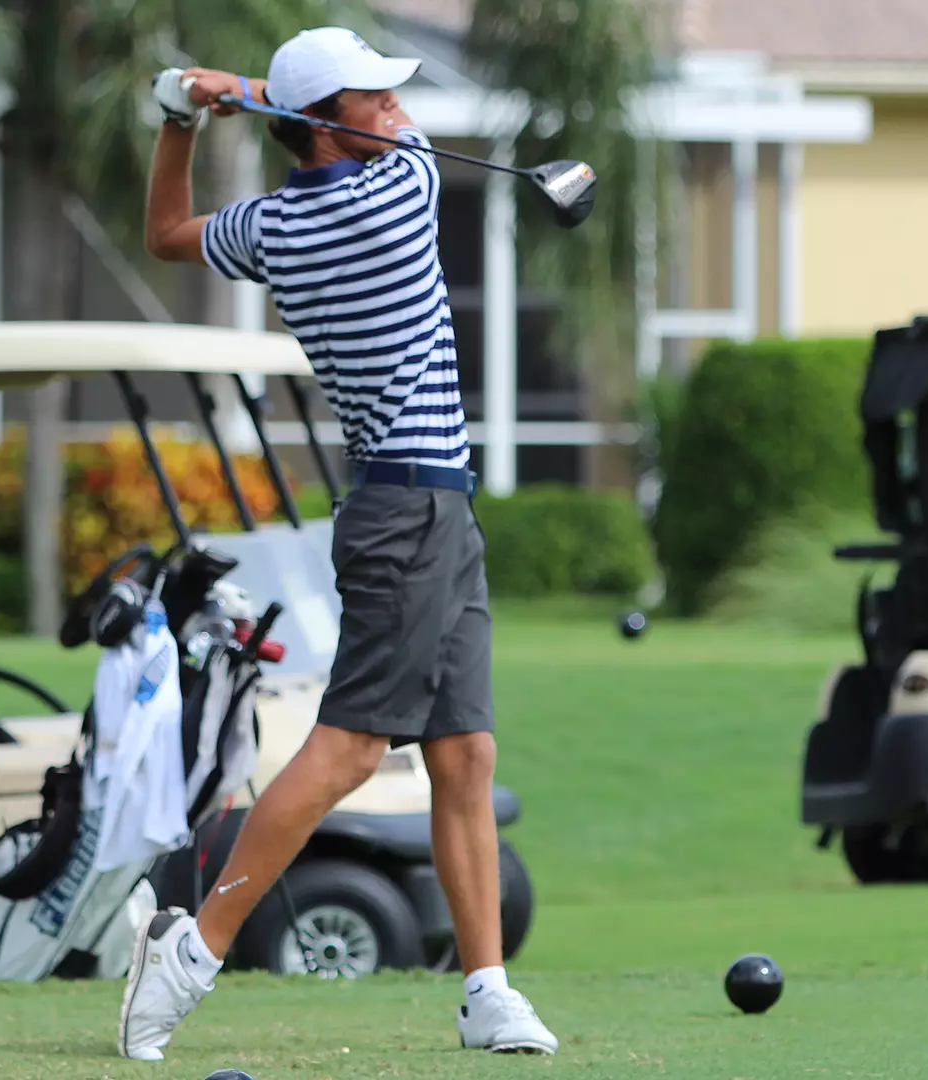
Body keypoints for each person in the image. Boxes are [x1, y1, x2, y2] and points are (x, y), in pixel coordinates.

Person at [118, 27, 559, 1060]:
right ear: (326, 127)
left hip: (428, 510)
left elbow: (170, 231)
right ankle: (193, 949)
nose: (400, 109)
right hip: (408, 513)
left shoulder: (273, 226)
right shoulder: (394, 195)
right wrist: (256, 94)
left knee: (463, 750)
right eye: (375, 97)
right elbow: (348, 138)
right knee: (354, 746)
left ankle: (486, 989)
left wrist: (187, 114)